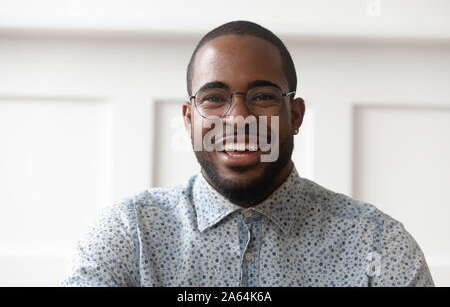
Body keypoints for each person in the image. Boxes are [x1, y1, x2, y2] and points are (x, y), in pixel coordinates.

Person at [61, 20, 434, 287]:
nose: (238, 118)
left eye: (263, 96)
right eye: (214, 98)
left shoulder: (377, 243)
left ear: (296, 115)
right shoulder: (130, 235)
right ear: (189, 120)